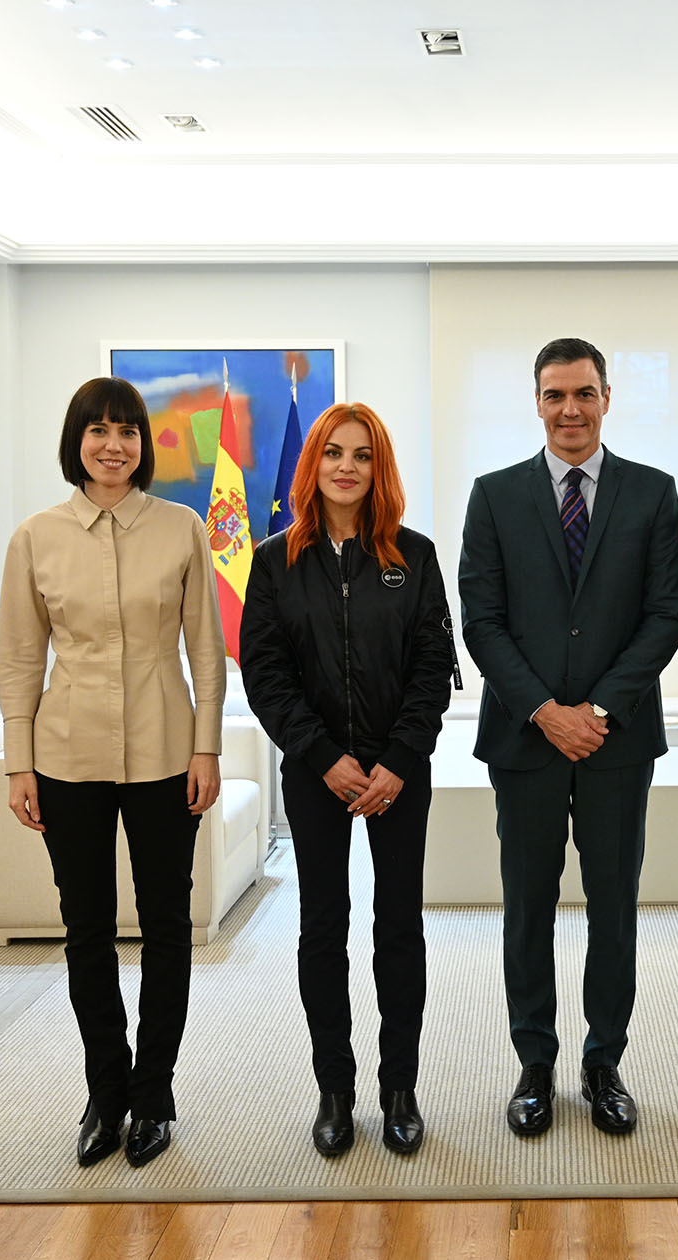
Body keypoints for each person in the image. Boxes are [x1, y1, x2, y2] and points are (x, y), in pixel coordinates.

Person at [458, 336, 678, 1138]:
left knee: (614, 909)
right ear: (537, 401)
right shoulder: (493, 496)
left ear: (607, 397)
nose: (570, 410)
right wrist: (546, 711)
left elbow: (666, 615)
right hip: (524, 743)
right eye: (555, 396)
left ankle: (603, 1062)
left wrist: (599, 711)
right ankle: (534, 1063)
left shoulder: (654, 494)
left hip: (616, 743)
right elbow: (480, 621)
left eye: (584, 394)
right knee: (528, 908)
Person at [0, 376, 225, 1170]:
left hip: (167, 752)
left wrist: (208, 747)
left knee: (168, 926)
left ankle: (154, 1094)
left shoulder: (182, 528)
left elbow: (204, 648)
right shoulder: (36, 536)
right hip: (67, 756)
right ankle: (106, 1090)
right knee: (86, 931)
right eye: (98, 431)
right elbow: (21, 655)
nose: (113, 445)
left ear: (144, 444)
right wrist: (18, 763)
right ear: (77, 442)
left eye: (127, 431)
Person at [240, 402, 453, 1158]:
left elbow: (435, 673)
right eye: (334, 453)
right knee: (322, 929)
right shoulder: (273, 562)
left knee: (399, 928)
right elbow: (265, 677)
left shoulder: (415, 558)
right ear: (313, 465)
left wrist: (397, 761)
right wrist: (323, 756)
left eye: (362, 455)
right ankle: (336, 1088)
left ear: (378, 468)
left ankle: (401, 1089)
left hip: (401, 774)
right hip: (315, 771)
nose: (346, 467)